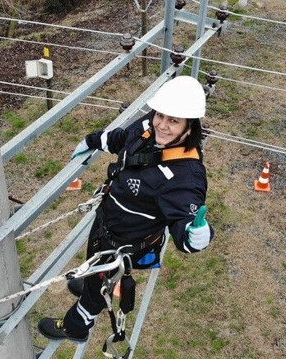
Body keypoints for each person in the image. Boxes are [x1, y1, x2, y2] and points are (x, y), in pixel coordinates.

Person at [38, 75, 215, 342]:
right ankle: (89, 283)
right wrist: (94, 140)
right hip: (107, 222)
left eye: (173, 121)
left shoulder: (184, 176)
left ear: (189, 127)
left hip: (124, 244)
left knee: (97, 292)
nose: (163, 126)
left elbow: (184, 223)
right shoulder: (149, 124)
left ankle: (76, 326)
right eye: (161, 116)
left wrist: (196, 236)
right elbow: (123, 138)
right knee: (94, 274)